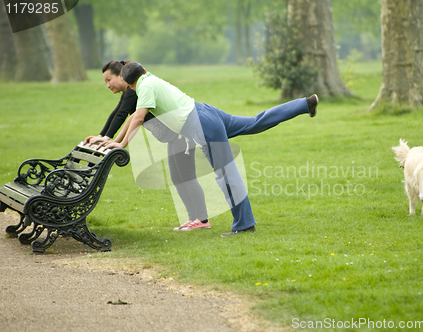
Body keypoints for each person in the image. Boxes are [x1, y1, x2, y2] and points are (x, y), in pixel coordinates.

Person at [99, 62, 319, 237]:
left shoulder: (143, 88)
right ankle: (304, 104)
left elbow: (137, 117)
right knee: (255, 121)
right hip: (207, 111)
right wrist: (118, 140)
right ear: (144, 70)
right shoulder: (152, 78)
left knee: (225, 175)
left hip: (202, 126)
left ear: (129, 85)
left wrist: (121, 144)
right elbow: (135, 116)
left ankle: (244, 225)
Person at [85, 60, 210, 231]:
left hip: (180, 134)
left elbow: (134, 117)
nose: (107, 85)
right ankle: (193, 218)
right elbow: (129, 116)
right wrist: (113, 140)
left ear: (122, 76)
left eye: (109, 80)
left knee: (187, 177)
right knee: (177, 178)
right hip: (174, 137)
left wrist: (120, 142)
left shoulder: (135, 90)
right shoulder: (131, 91)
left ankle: (202, 219)